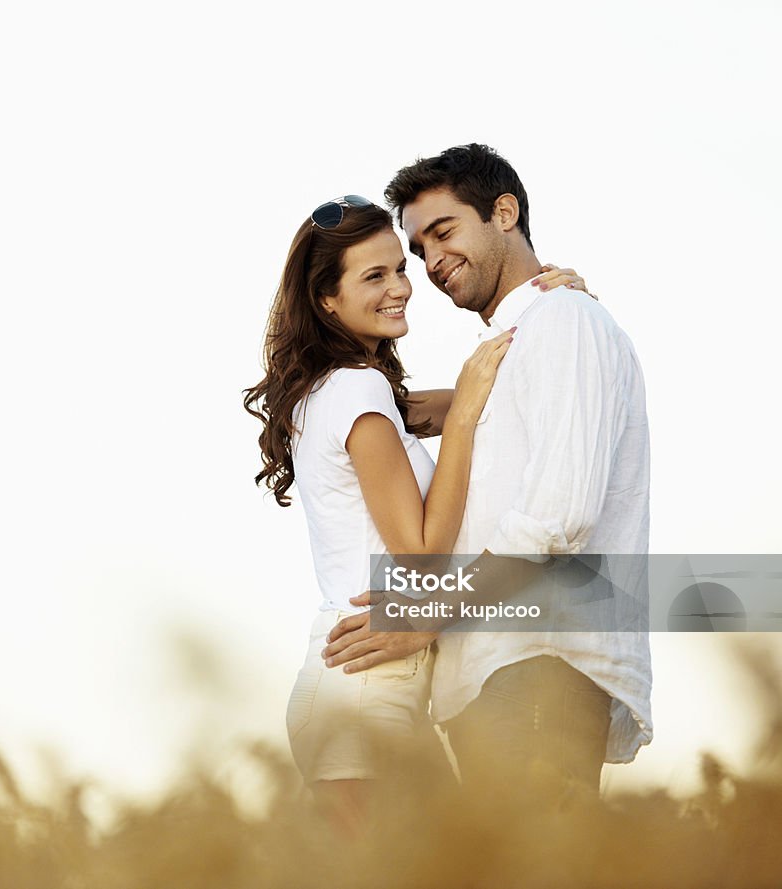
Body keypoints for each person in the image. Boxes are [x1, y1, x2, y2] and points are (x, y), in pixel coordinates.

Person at [244, 194, 591, 829]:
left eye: (398, 268)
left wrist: (553, 319)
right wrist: (463, 417)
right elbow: (423, 555)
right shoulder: (356, 388)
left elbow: (487, 400)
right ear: (327, 298)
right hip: (364, 680)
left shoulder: (338, 387)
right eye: (373, 277)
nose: (402, 286)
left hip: (371, 677)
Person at [321, 144, 653, 804]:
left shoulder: (565, 320)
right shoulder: (518, 339)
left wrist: (427, 615)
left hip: (537, 663)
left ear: (505, 212)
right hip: (496, 671)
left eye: (443, 232)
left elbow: (559, 518)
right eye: (420, 249)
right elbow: (398, 412)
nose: (433, 261)